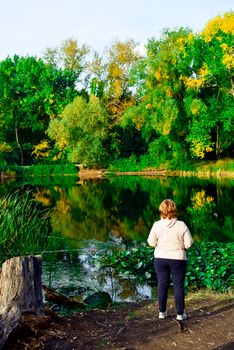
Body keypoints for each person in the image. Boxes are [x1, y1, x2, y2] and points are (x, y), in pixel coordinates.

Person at [147, 199, 193, 320]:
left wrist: (160, 244)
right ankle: (180, 314)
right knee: (178, 286)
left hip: (160, 258)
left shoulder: (156, 225)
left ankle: (162, 312)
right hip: (178, 259)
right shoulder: (181, 225)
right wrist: (181, 246)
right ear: (174, 209)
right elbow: (189, 244)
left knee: (162, 284)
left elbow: (151, 242)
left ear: (161, 210)